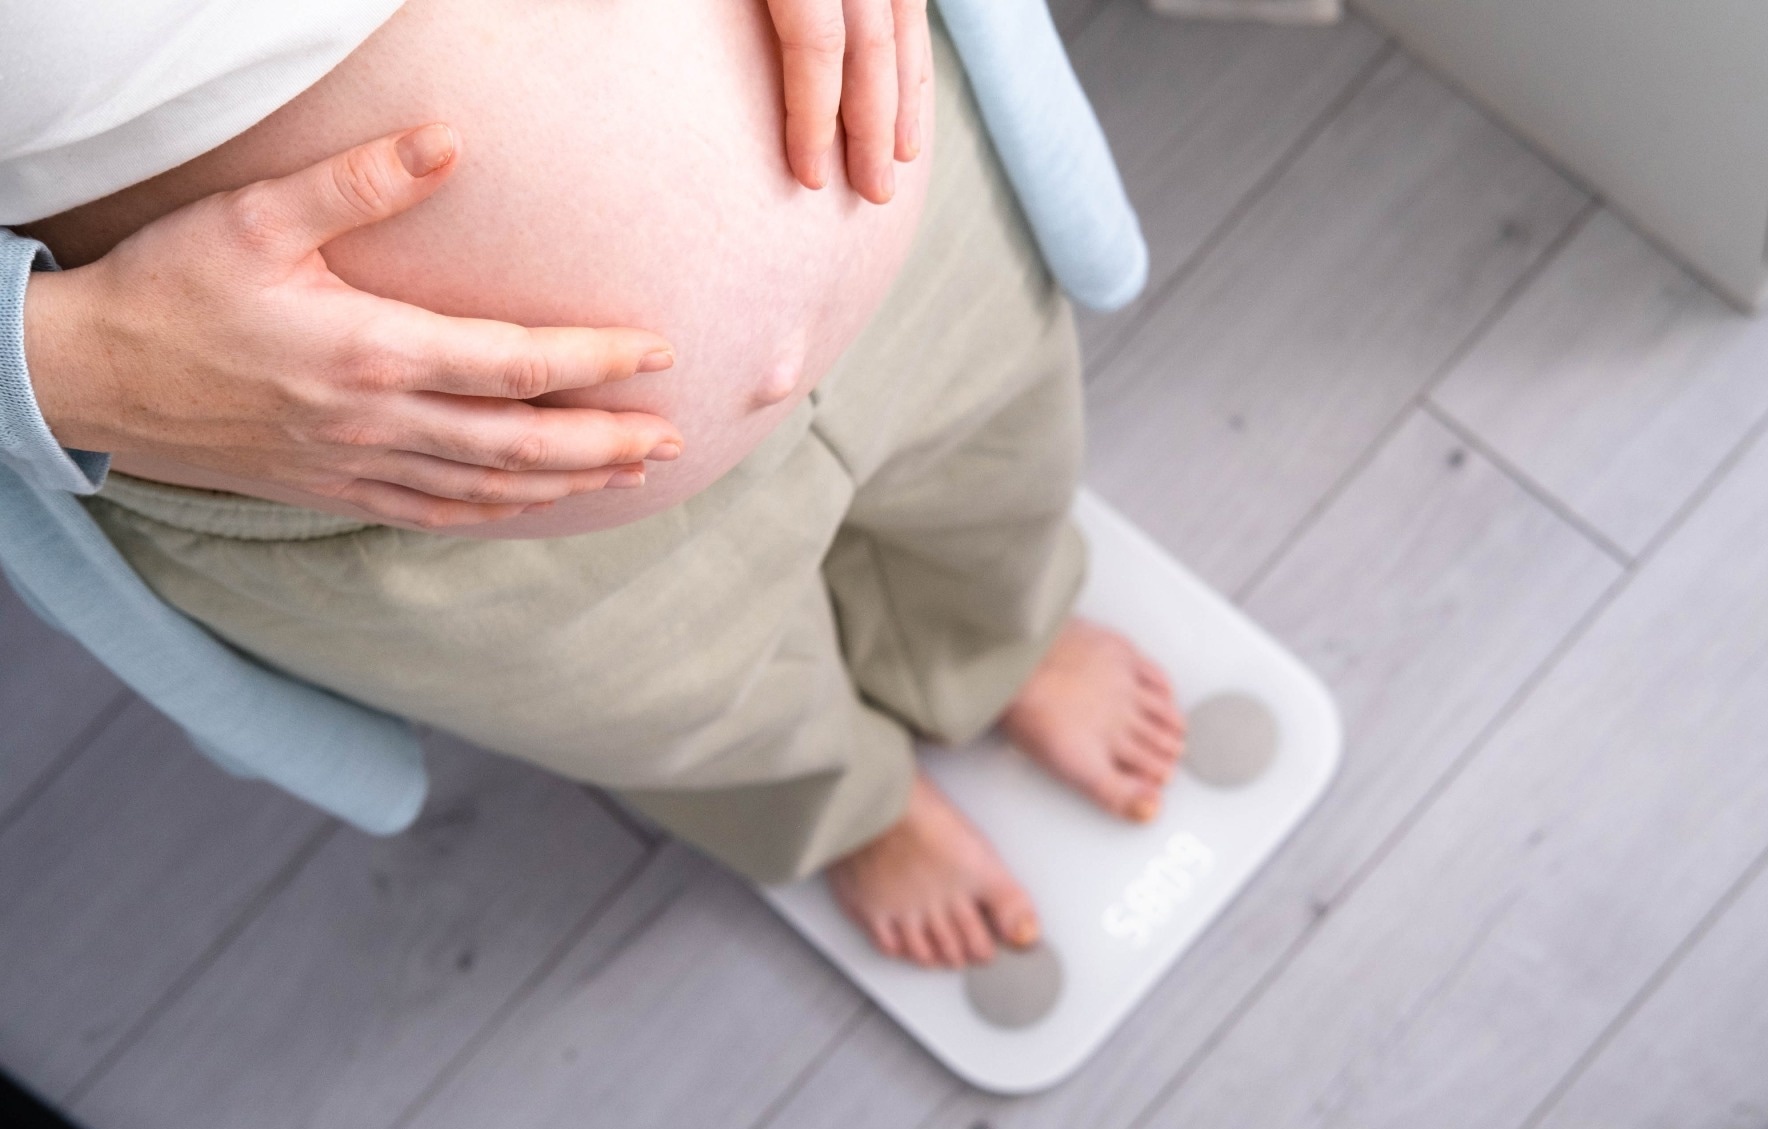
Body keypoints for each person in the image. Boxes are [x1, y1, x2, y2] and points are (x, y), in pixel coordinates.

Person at [2, 0, 1183, 970]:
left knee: (991, 456)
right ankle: (846, 803)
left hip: (877, 137)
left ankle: (997, 639)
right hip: (372, 491)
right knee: (687, 706)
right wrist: (75, 364)